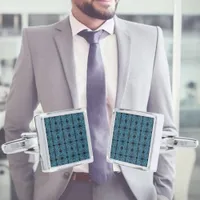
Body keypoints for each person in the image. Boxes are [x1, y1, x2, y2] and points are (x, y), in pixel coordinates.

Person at [4, 0, 178, 200]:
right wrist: (27, 194)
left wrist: (163, 194)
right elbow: (15, 126)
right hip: (62, 190)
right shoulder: (36, 41)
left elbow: (166, 130)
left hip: (131, 190)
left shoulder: (148, 39)